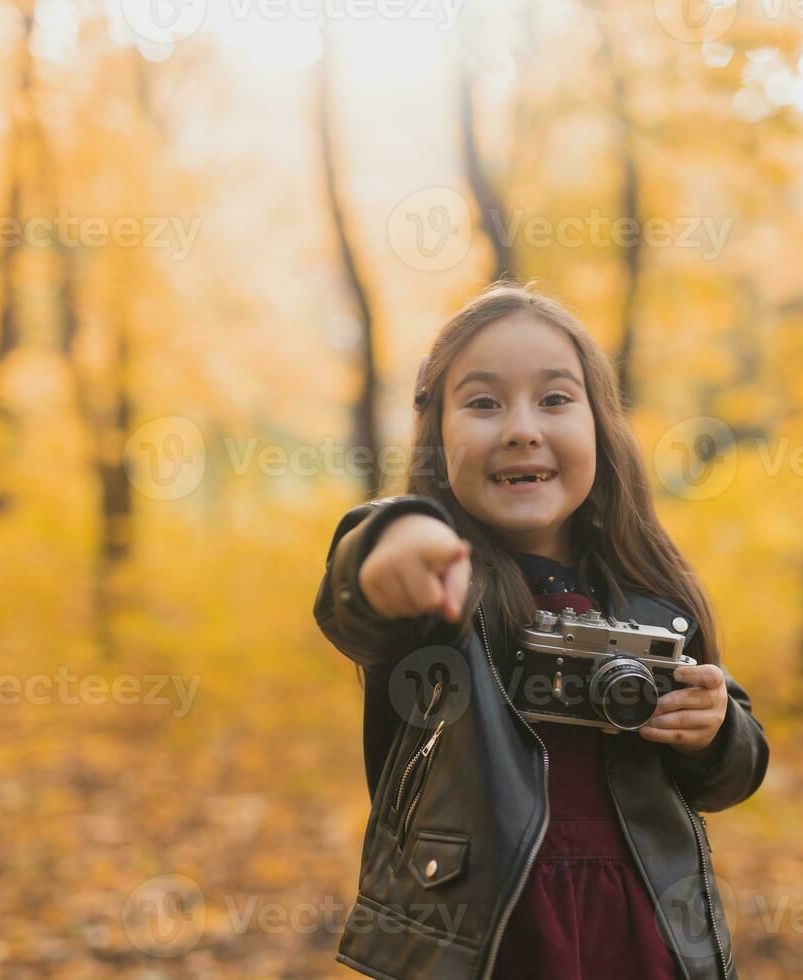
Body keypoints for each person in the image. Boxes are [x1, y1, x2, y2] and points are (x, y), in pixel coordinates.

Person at [314, 282, 769, 980]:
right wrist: (393, 541)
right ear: (438, 437)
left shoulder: (650, 598)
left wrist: (716, 731)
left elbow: (730, 774)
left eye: (555, 399)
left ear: (601, 428)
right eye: (484, 402)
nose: (522, 427)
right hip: (484, 938)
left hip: (640, 928)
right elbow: (357, 584)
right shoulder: (442, 593)